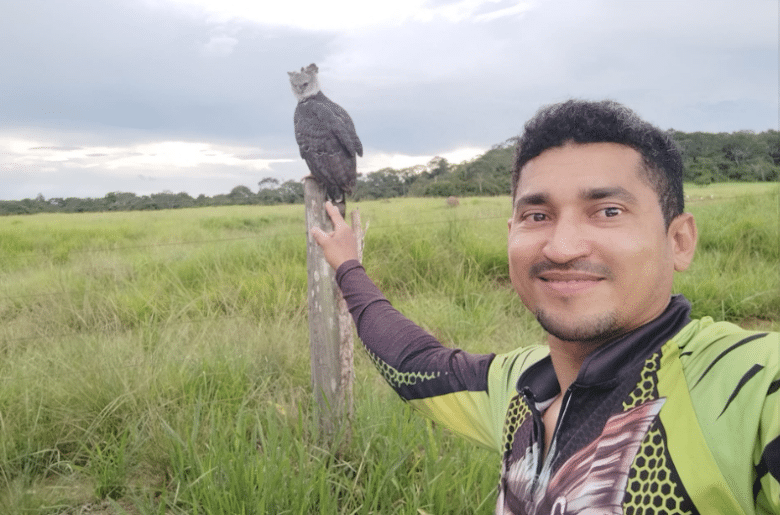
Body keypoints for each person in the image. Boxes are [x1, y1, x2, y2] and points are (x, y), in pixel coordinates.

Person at [311, 99, 779, 515]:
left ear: (678, 241)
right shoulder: (518, 388)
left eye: (608, 211)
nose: (561, 246)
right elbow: (412, 363)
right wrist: (348, 266)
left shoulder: (747, 387)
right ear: (511, 234)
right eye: (538, 216)